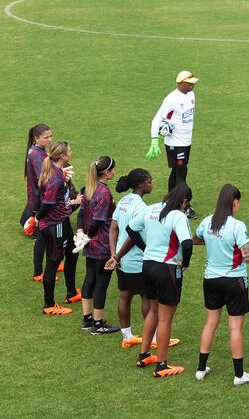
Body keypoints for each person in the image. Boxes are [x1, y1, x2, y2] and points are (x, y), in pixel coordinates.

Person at [118, 182, 194, 377]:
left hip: (148, 265)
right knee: (165, 318)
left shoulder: (151, 208)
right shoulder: (178, 215)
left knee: (153, 309)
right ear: (184, 200)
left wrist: (146, 247)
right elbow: (187, 243)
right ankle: (161, 364)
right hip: (167, 268)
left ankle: (143, 355)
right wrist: (185, 262)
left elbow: (131, 229)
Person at [193, 184, 249, 385]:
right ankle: (239, 375)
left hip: (210, 279)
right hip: (234, 280)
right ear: (235, 202)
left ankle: (201, 369)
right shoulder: (238, 226)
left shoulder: (206, 221)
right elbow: (247, 256)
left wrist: (215, 244)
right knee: (235, 327)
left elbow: (197, 239)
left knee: (210, 322)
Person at [110, 168, 155, 349]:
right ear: (141, 184)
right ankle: (152, 339)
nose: (152, 184)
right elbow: (133, 234)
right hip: (135, 258)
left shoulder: (123, 201)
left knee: (125, 296)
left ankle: (127, 336)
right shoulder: (141, 207)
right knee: (146, 296)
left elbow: (113, 227)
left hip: (121, 260)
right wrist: (118, 254)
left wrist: (114, 253)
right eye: (150, 182)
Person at [146, 70, 199, 218]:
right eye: (190, 83)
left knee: (176, 171)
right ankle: (185, 204)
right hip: (175, 143)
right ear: (182, 83)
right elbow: (157, 119)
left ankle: (169, 199)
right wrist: (154, 140)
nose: (193, 85)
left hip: (187, 141)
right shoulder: (171, 99)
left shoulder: (191, 95)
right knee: (182, 173)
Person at [37, 141, 81, 315]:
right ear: (63, 156)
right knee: (53, 262)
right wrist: (37, 218)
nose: (71, 152)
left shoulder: (57, 172)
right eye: (69, 151)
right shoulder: (55, 178)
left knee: (72, 252)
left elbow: (57, 201)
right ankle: (49, 305)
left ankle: (71, 292)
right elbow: (47, 204)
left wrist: (73, 202)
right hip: (56, 225)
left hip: (61, 222)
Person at [80, 156, 120, 334]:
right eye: (113, 169)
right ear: (106, 172)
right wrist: (88, 235)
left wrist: (82, 233)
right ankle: (98, 323)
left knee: (90, 278)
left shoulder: (89, 188)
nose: (115, 172)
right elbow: (98, 220)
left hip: (90, 244)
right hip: (102, 243)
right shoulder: (103, 192)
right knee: (101, 283)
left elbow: (81, 214)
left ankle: (87, 319)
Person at [23, 123, 52, 240]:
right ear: (36, 138)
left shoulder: (34, 150)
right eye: (46, 137)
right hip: (39, 197)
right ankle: (37, 224)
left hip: (34, 195)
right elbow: (43, 180)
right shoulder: (37, 155)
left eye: (51, 136)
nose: (50, 140)